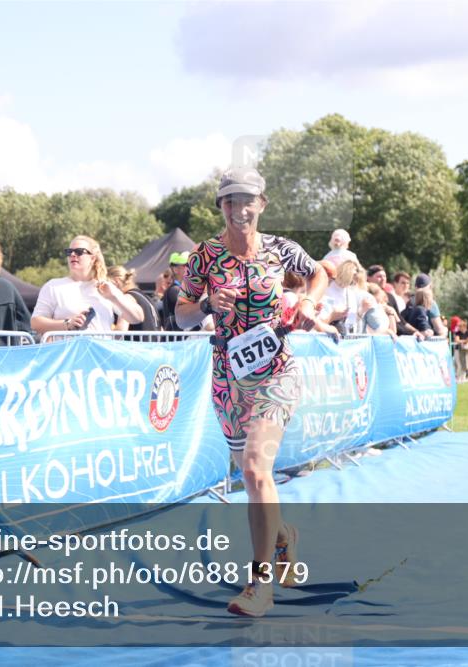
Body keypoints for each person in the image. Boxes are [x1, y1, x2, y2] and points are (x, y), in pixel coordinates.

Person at [174, 167, 327, 618]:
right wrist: (203, 305)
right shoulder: (204, 256)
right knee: (250, 478)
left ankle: (259, 586)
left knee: (259, 470)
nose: (239, 209)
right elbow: (180, 315)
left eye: (247, 200)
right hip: (226, 376)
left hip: (275, 369)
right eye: (229, 201)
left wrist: (308, 302)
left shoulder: (282, 250)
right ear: (220, 207)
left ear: (261, 204)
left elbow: (319, 274)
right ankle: (284, 537)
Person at [30, 236, 144, 339]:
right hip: (67, 357)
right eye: (69, 252)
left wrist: (114, 297)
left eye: (79, 251)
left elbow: (137, 317)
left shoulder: (105, 287)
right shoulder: (53, 286)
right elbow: (35, 323)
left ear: (93, 258)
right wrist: (67, 324)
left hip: (100, 357)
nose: (73, 255)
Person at [107, 265, 160, 332]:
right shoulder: (147, 298)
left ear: (116, 282)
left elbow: (121, 331)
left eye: (108, 285)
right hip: (154, 341)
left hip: (137, 342)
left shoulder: (127, 298)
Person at [162, 252, 190, 331]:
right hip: (175, 340)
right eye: (186, 265)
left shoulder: (179, 289)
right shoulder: (175, 290)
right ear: (175, 269)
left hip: (181, 339)